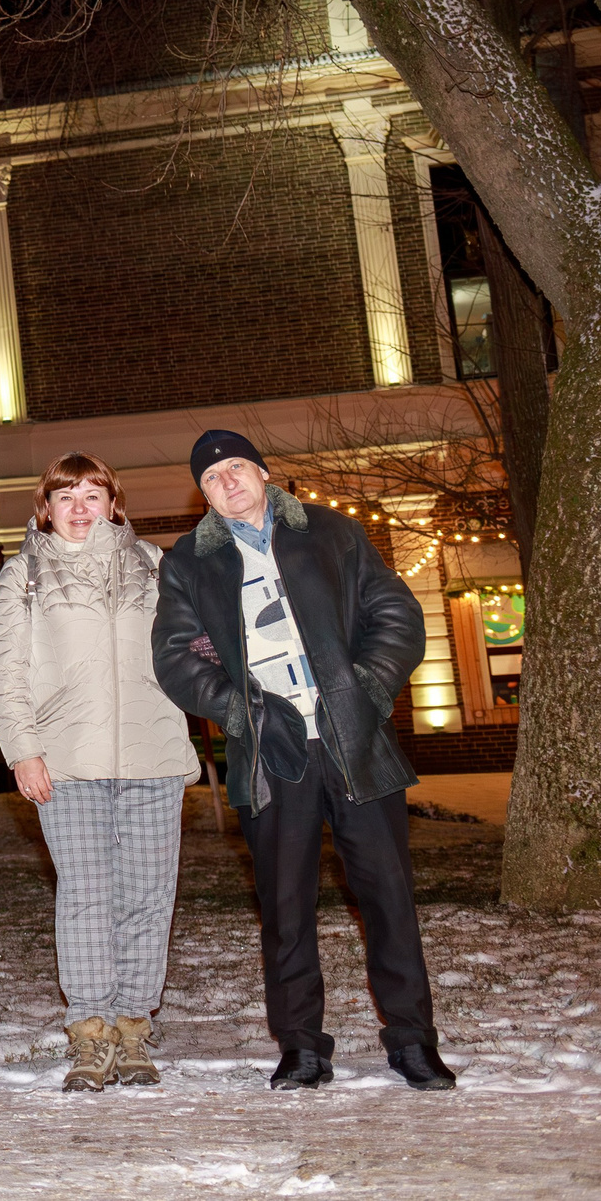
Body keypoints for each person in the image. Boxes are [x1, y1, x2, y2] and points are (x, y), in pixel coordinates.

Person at [150, 430, 448, 1091]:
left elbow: (396, 611)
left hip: (354, 740)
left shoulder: (334, 531)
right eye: (210, 479)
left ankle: (413, 1041)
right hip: (271, 749)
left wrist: (367, 686)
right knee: (286, 906)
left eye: (235, 468)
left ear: (262, 471)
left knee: (389, 898)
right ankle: (302, 1047)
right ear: (202, 495)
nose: (226, 482)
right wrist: (240, 710)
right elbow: (173, 657)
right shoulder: (189, 563)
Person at [0, 453, 197, 1091]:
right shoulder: (22, 575)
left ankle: (134, 1027)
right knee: (85, 898)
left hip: (152, 757)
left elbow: (191, 647)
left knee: (149, 895)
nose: (81, 507)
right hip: (66, 763)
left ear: (113, 503)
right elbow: (3, 672)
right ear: (44, 508)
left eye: (93, 494)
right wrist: (22, 750)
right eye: (66, 495)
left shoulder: (155, 568)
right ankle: (91, 1033)